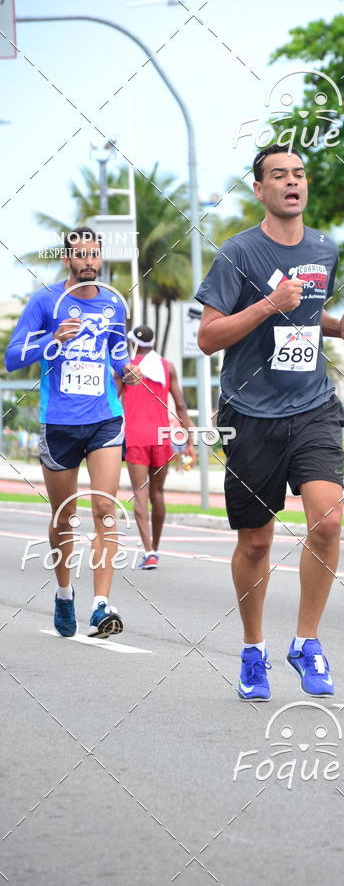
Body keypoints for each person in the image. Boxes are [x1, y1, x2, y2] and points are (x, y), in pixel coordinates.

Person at [197, 144, 344, 701]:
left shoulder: (325, 247)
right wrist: (268, 305)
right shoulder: (237, 255)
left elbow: (307, 319)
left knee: (329, 522)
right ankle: (252, 650)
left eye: (299, 174)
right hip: (250, 416)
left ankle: (307, 643)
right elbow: (208, 338)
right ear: (259, 189)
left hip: (313, 405)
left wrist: (340, 329)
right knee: (256, 544)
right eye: (278, 175)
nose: (291, 182)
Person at [5, 227, 141, 638]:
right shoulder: (46, 301)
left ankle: (101, 606)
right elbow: (13, 357)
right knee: (64, 518)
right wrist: (51, 338)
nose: (88, 262)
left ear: (101, 259)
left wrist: (125, 369)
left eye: (94, 255)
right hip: (59, 422)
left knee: (104, 509)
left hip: (104, 418)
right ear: (67, 259)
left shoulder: (113, 302)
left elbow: (117, 349)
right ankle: (64, 593)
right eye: (80, 255)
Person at [121, 324, 196, 570]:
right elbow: (182, 406)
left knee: (140, 494)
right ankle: (156, 547)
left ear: (133, 342)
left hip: (136, 437)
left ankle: (148, 552)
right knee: (158, 494)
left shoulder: (127, 368)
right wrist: (190, 440)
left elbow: (112, 398)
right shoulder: (168, 367)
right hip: (162, 437)